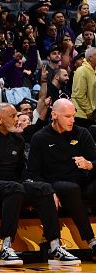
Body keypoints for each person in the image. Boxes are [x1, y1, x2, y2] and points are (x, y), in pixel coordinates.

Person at [0, 103, 80, 266]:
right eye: (13, 116)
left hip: (14, 185)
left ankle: (54, 246)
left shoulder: (17, 138)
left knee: (44, 188)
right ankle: (6, 247)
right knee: (15, 188)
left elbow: (22, 171)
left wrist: (32, 185)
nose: (17, 119)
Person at [28, 99, 96, 259]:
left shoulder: (82, 133)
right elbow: (33, 172)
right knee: (70, 188)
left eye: (73, 116)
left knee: (77, 188)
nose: (72, 120)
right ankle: (92, 241)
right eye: (67, 116)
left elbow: (95, 160)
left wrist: (89, 165)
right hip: (58, 184)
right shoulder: (40, 137)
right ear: (54, 115)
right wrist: (48, 190)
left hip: (84, 182)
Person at [71, 46, 96, 128]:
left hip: (91, 115)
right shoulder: (81, 71)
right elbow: (79, 95)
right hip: (81, 116)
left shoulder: (93, 71)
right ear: (90, 58)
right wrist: (89, 111)